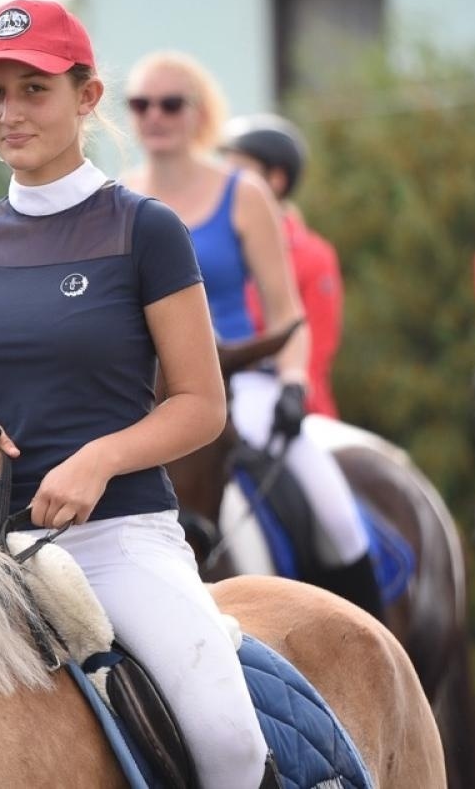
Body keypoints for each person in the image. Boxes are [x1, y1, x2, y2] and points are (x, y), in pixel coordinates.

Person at [0, 0, 276, 787]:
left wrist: (96, 462)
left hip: (119, 540)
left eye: (34, 89)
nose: (10, 113)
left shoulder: (144, 229)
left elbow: (199, 404)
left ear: (86, 97)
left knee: (228, 739)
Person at [121, 53, 380, 620]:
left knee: (334, 511)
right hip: (141, 393)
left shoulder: (243, 194)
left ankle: (378, 649)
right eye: (140, 103)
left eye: (171, 103)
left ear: (199, 113)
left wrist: (292, 384)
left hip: (239, 381)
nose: (154, 116)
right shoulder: (114, 198)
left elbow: (288, 313)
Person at [221, 113, 344, 420]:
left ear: (276, 179)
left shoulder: (313, 255)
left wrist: (293, 394)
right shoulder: (215, 248)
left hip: (285, 403)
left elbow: (317, 346)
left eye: (239, 171)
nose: (226, 181)